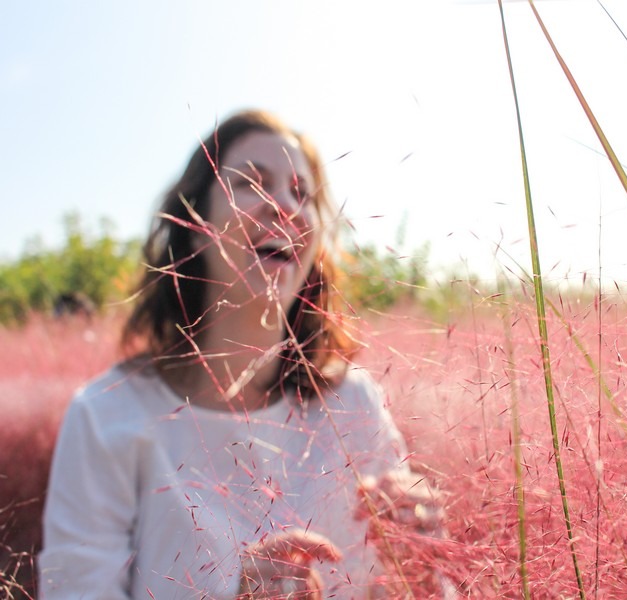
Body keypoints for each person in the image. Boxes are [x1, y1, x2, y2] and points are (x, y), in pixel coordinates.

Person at [38, 110, 443, 599]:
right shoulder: (106, 416)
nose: (285, 207)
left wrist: (422, 571)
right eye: (253, 182)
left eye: (303, 192)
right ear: (193, 223)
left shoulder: (352, 402)